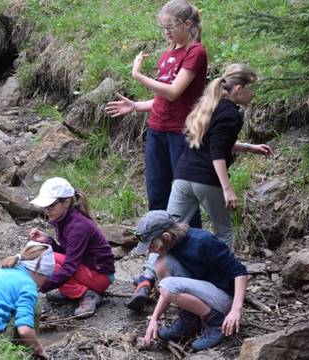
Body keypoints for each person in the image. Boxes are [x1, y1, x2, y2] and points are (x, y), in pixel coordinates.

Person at [105, 0, 206, 312]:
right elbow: (163, 98)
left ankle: (194, 263)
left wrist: (137, 75)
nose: (167, 32)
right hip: (158, 131)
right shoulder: (168, 54)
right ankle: (155, 270)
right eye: (164, 27)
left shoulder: (195, 52)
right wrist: (136, 106)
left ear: (188, 25)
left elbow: (175, 92)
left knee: (183, 200)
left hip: (180, 133)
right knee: (157, 198)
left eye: (171, 26)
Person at [168, 63, 272, 248]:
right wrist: (227, 189)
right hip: (207, 179)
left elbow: (211, 142)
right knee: (224, 232)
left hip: (183, 176)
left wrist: (249, 147)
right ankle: (225, 276)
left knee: (168, 231)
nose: (254, 95)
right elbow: (216, 151)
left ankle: (149, 274)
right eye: (252, 90)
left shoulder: (208, 105)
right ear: (239, 89)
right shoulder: (231, 114)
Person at [134, 210, 247, 351]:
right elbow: (169, 289)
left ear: (166, 236)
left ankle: (215, 322)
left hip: (224, 298)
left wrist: (236, 310)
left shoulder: (202, 241)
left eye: (152, 245)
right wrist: (154, 319)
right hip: (204, 290)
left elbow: (240, 271)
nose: (150, 250)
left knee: (167, 286)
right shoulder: (172, 245)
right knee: (160, 263)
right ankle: (190, 319)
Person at [28, 177, 115, 318]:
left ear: (66, 202)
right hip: (87, 267)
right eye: (45, 207)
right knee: (44, 252)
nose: (47, 211)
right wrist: (47, 241)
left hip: (101, 275)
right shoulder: (62, 219)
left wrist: (40, 287)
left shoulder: (77, 226)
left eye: (51, 206)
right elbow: (69, 253)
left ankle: (87, 294)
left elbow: (70, 266)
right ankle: (73, 290)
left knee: (47, 261)